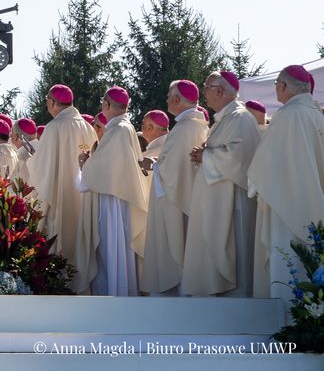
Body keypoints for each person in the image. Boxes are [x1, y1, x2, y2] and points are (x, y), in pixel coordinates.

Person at [248, 65, 324, 305]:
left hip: (284, 202)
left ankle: (286, 320)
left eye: (276, 85)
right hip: (313, 200)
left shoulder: (287, 115)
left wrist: (253, 181)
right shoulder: (316, 115)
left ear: (283, 86)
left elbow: (266, 160)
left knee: (287, 261)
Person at [181, 71, 261, 297]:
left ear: (220, 90)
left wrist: (206, 156)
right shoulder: (225, 119)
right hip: (218, 201)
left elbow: (238, 157)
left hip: (233, 202)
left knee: (236, 258)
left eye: (207, 87)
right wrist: (205, 154)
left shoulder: (240, 118)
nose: (204, 93)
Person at [72, 86, 149, 296]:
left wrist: (85, 164)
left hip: (114, 200)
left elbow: (104, 167)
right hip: (118, 195)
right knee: (117, 251)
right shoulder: (124, 127)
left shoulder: (117, 129)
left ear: (107, 104)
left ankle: (116, 294)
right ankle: (120, 291)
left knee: (112, 250)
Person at [142, 80, 209, 296]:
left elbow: (171, 169)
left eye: (170, 95)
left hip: (177, 200)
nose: (167, 99)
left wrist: (152, 164)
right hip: (188, 196)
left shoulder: (184, 127)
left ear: (178, 99)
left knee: (178, 244)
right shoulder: (197, 124)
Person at [20, 84, 96, 263]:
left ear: (52, 102)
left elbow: (43, 169)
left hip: (61, 198)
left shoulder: (55, 127)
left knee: (60, 238)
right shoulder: (88, 127)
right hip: (84, 199)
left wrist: (32, 159)